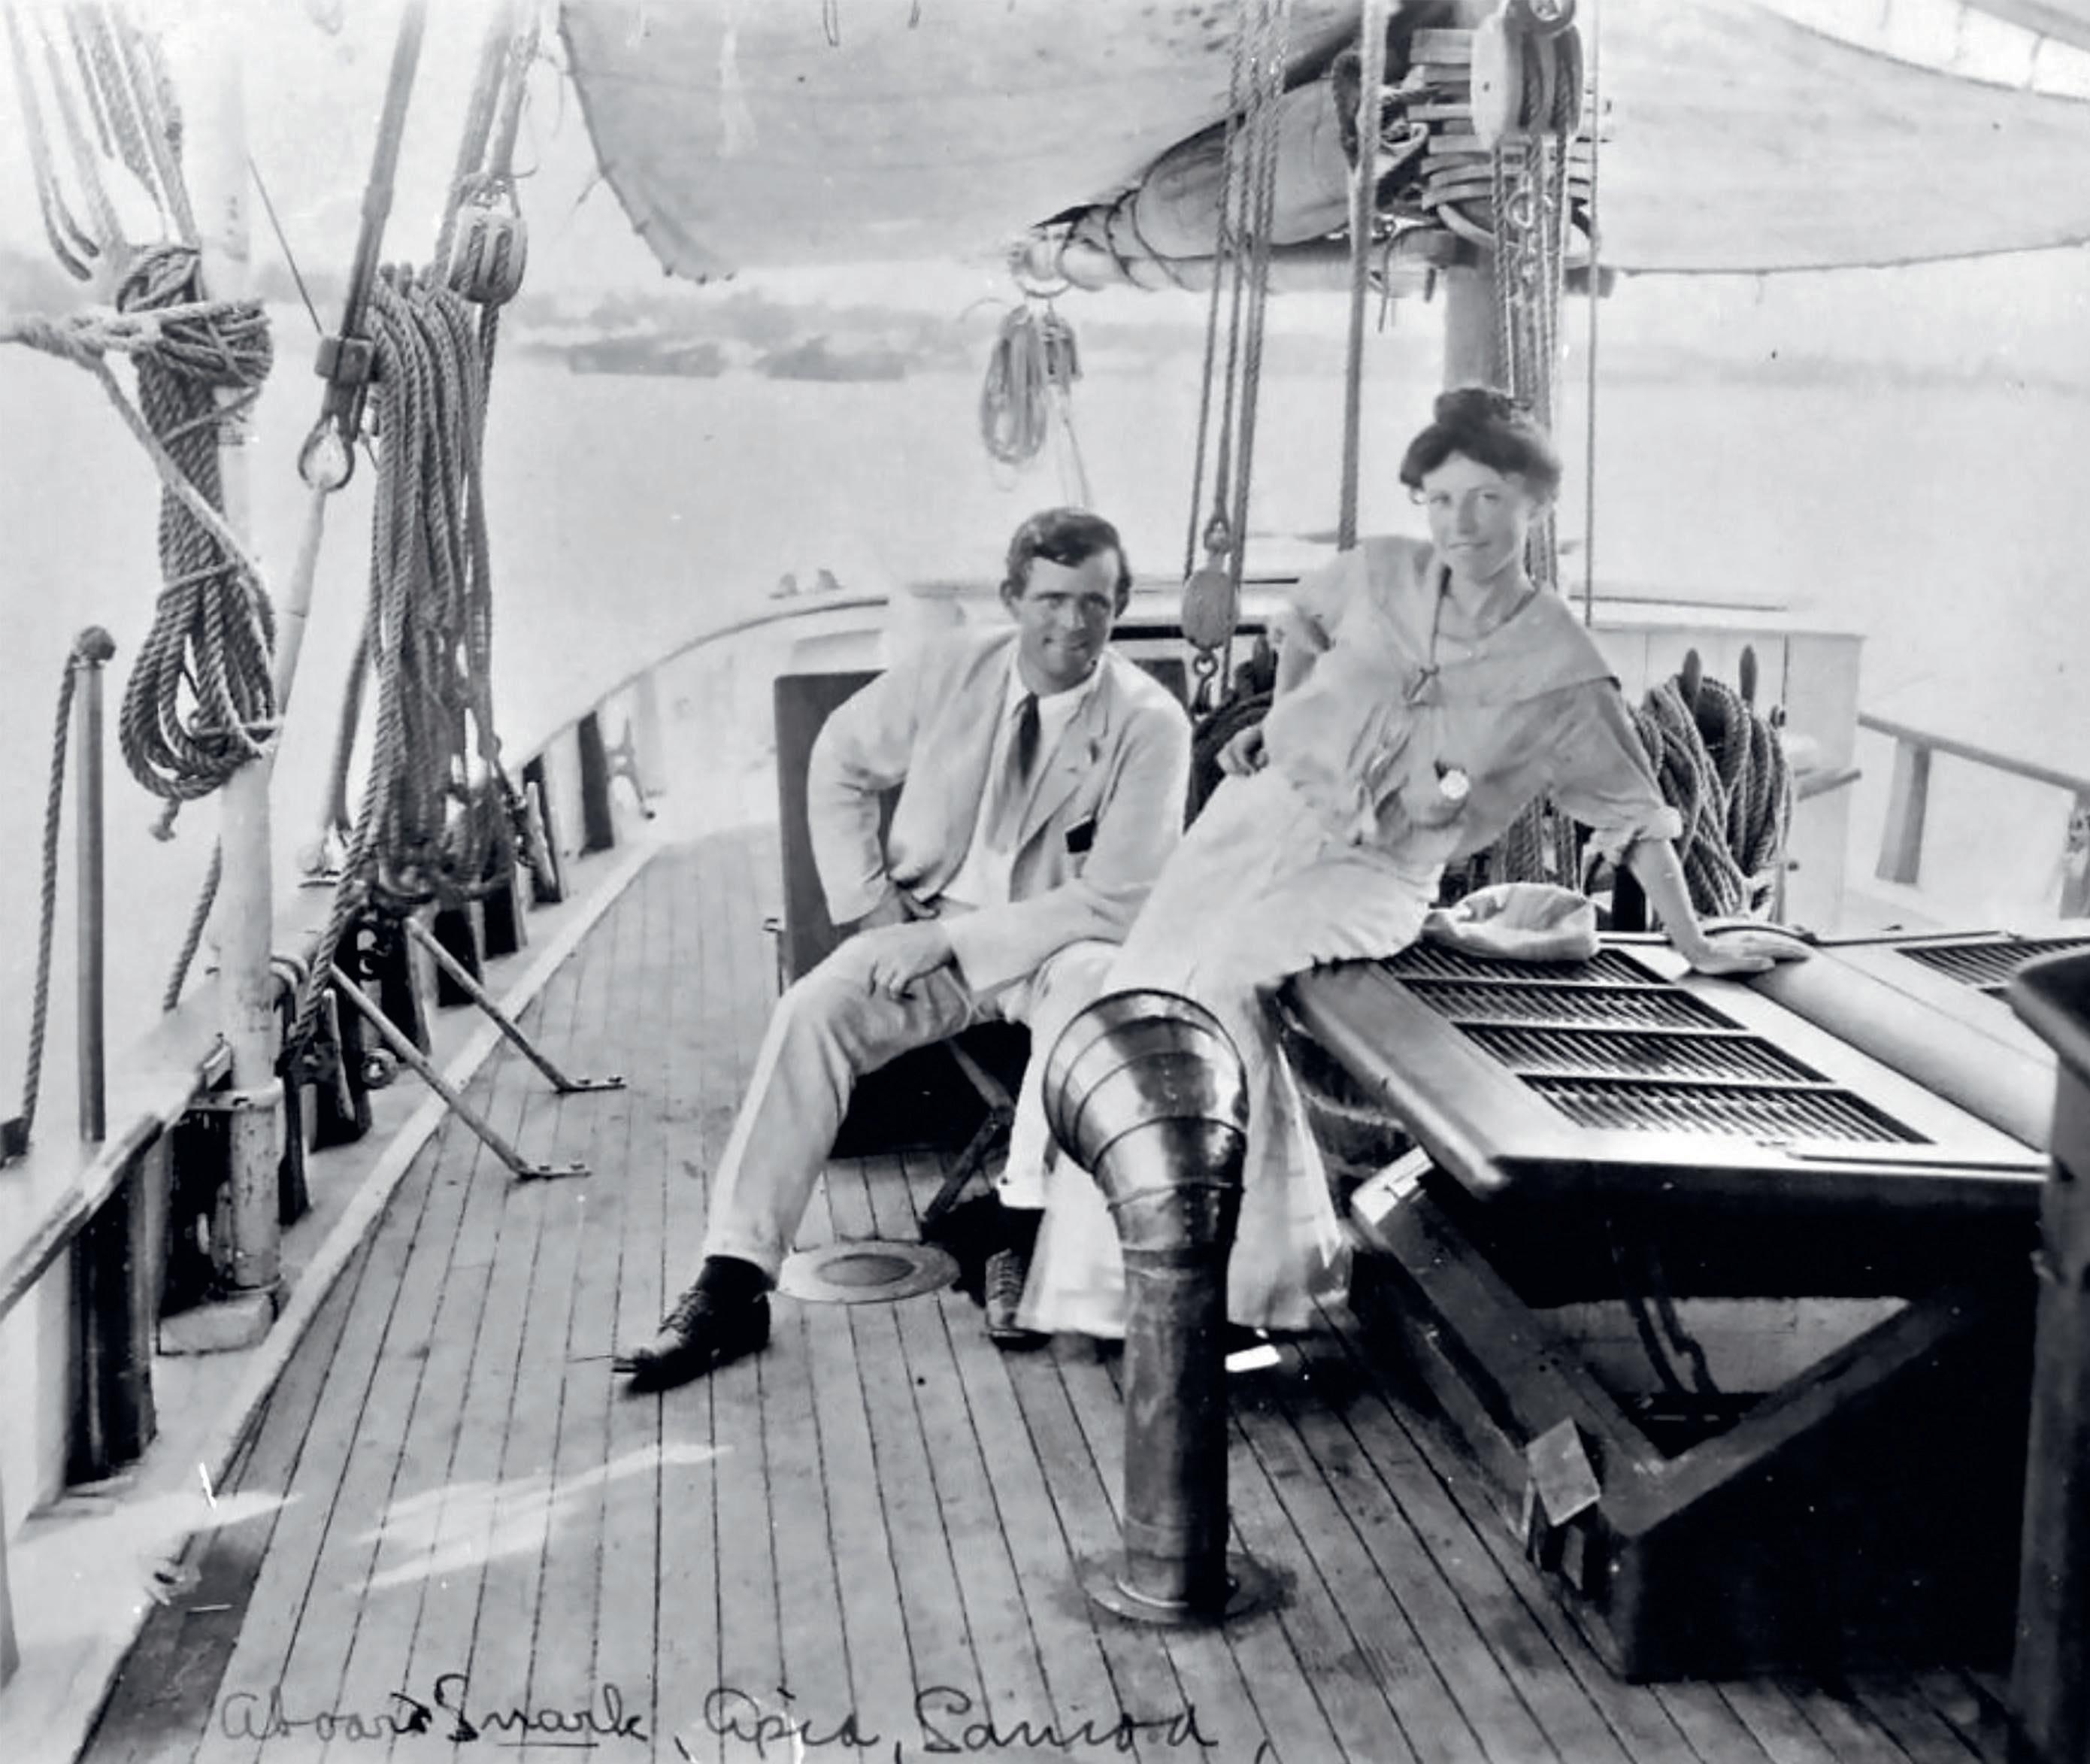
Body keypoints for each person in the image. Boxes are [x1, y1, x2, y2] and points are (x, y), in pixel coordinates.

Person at [1018, 388, 1807, 1340]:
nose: (1459, 524)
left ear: (1534, 505)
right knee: (1139, 1002)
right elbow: (1302, 625)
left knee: (1221, 989)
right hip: (1252, 823)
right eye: (1439, 500)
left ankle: (1238, 1290)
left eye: (1486, 499)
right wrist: (1287, 720)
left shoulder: (1560, 665)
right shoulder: (1378, 573)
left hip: (1375, 876)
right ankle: (1106, 1291)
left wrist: (1696, 942)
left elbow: (1634, 813)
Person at [619, 508, 1192, 1390]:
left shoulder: (1149, 724)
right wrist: (872, 908)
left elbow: (1117, 899)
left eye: (1095, 602)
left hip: (1056, 947)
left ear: (1118, 606)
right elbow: (838, 758)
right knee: (811, 1013)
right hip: (925, 926)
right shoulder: (950, 671)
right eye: (1051, 599)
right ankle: (732, 1279)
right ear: (1011, 598)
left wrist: (942, 939)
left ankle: (1020, 1235)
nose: (1073, 624)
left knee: (1093, 987)